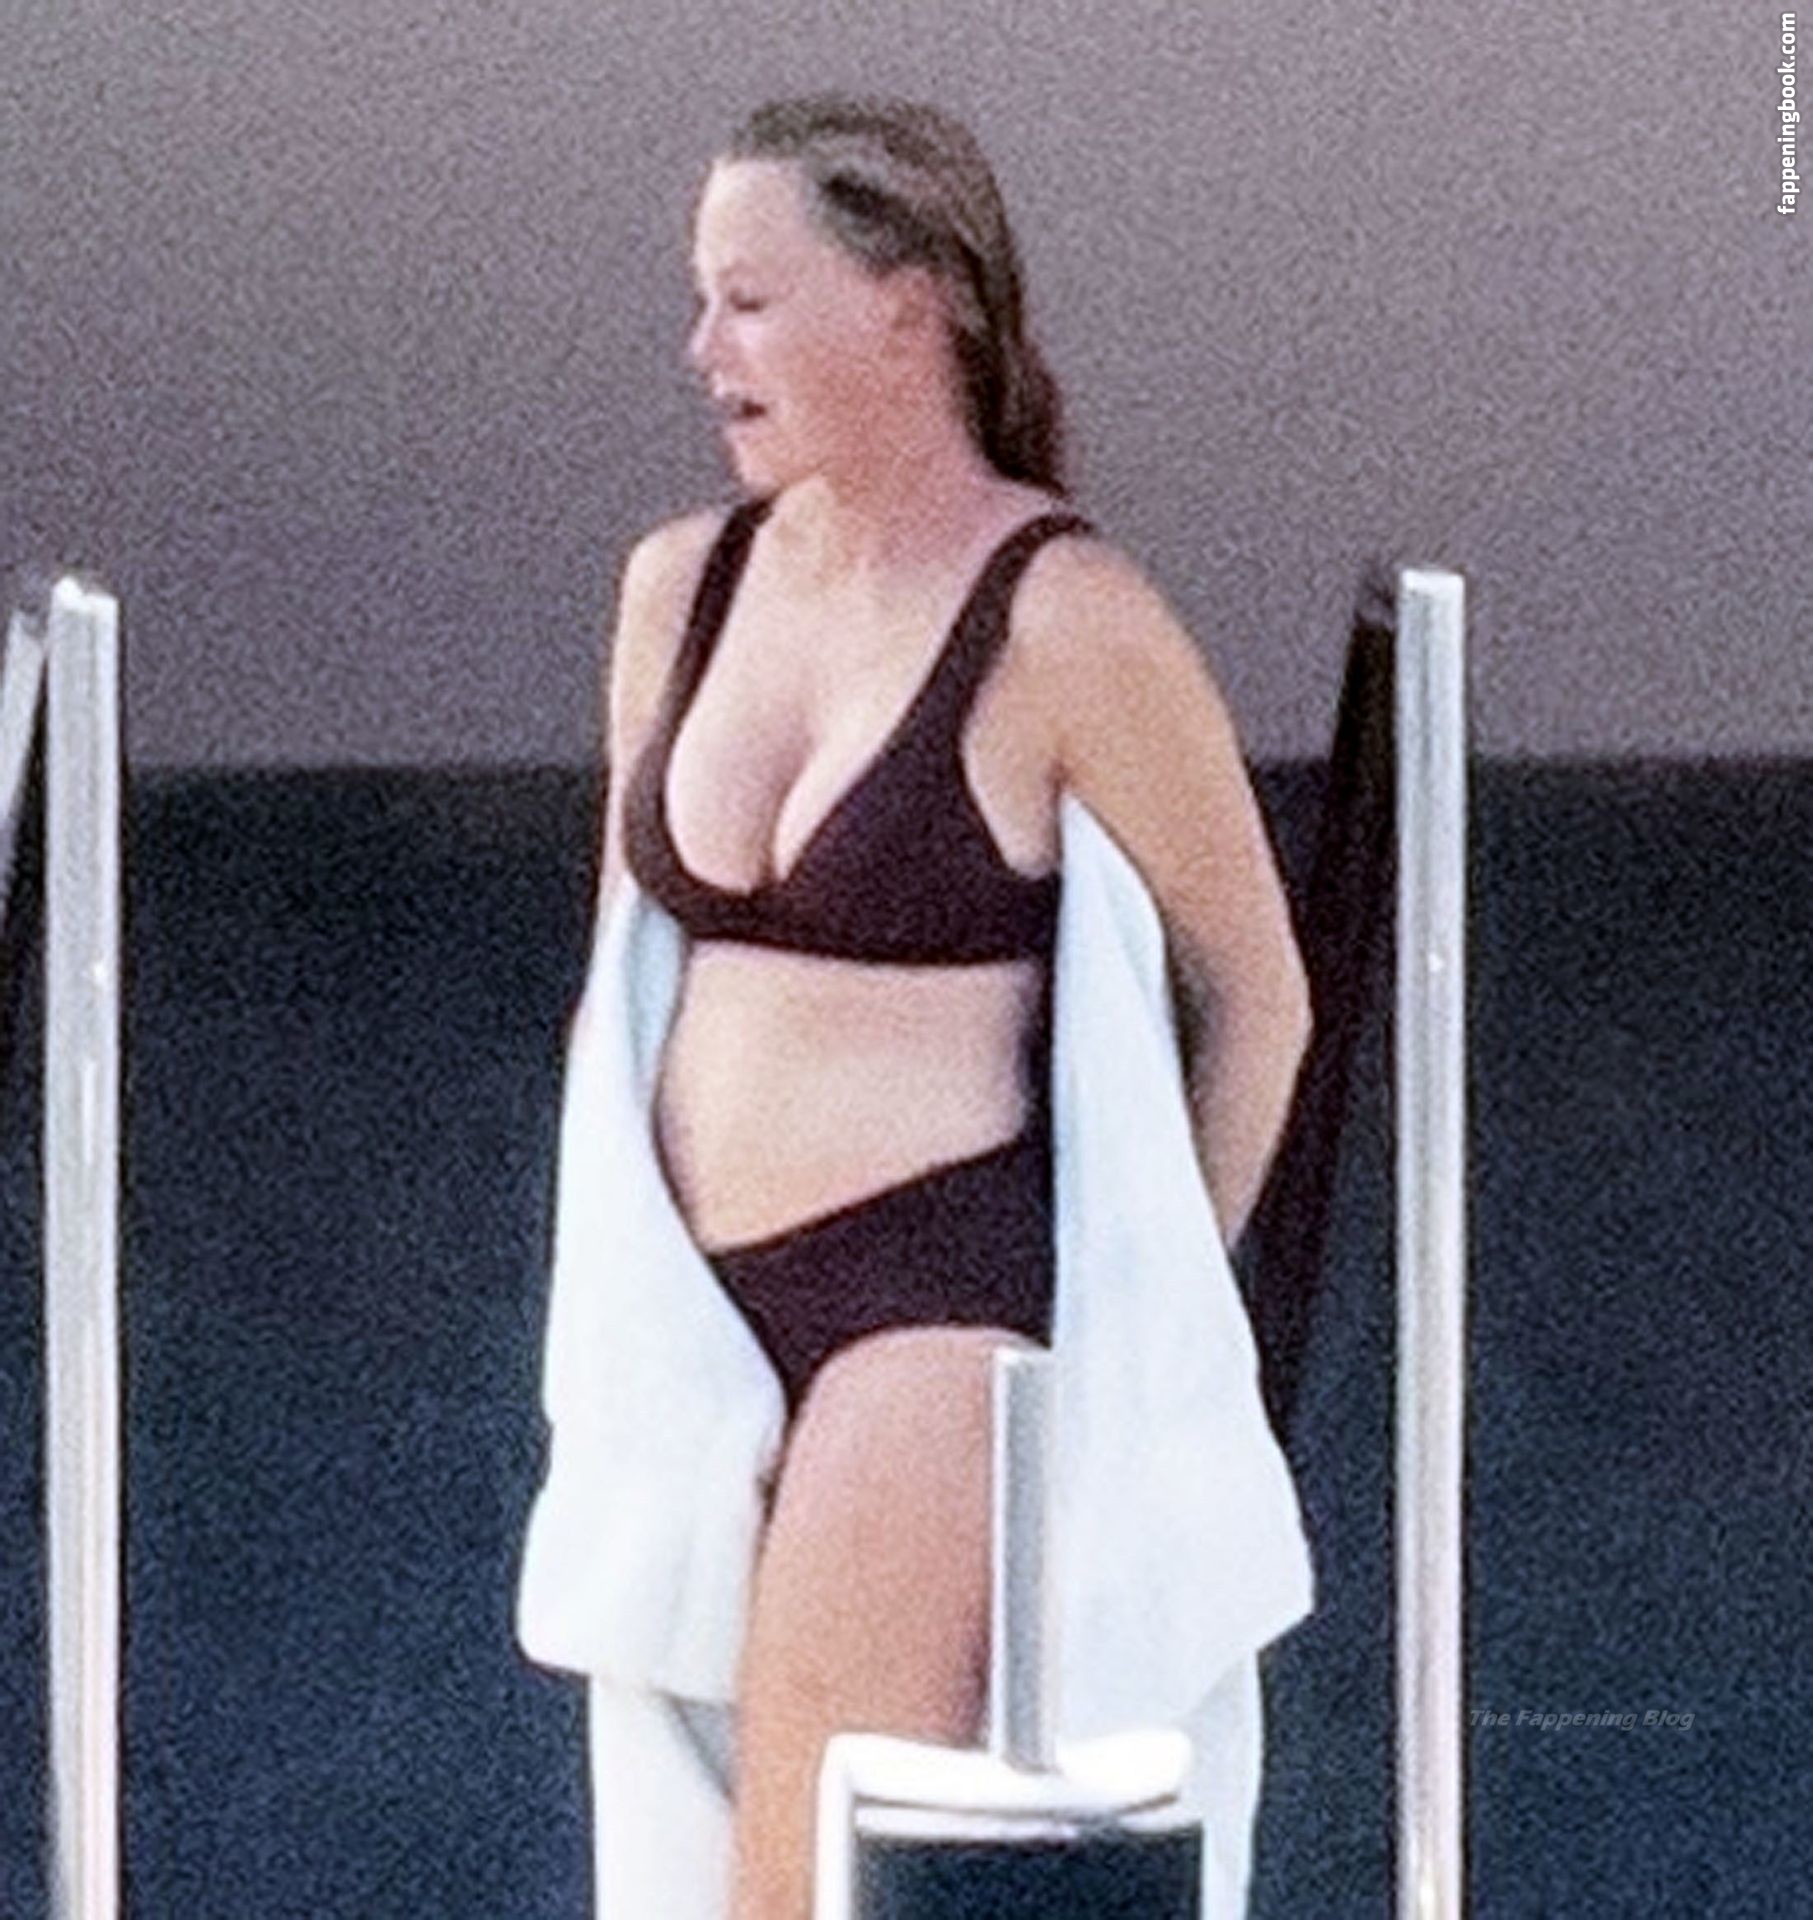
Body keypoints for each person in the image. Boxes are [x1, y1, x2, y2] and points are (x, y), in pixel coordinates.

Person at [518, 94, 1316, 1920]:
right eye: (701, 301)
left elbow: (1259, 995)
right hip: (689, 1317)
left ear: (908, 308)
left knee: (793, 1888)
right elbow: (618, 976)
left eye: (748, 300)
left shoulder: (1067, 619)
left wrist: (1117, 1357)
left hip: (930, 1311)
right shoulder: (679, 586)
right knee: (677, 1873)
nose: (701, 348)